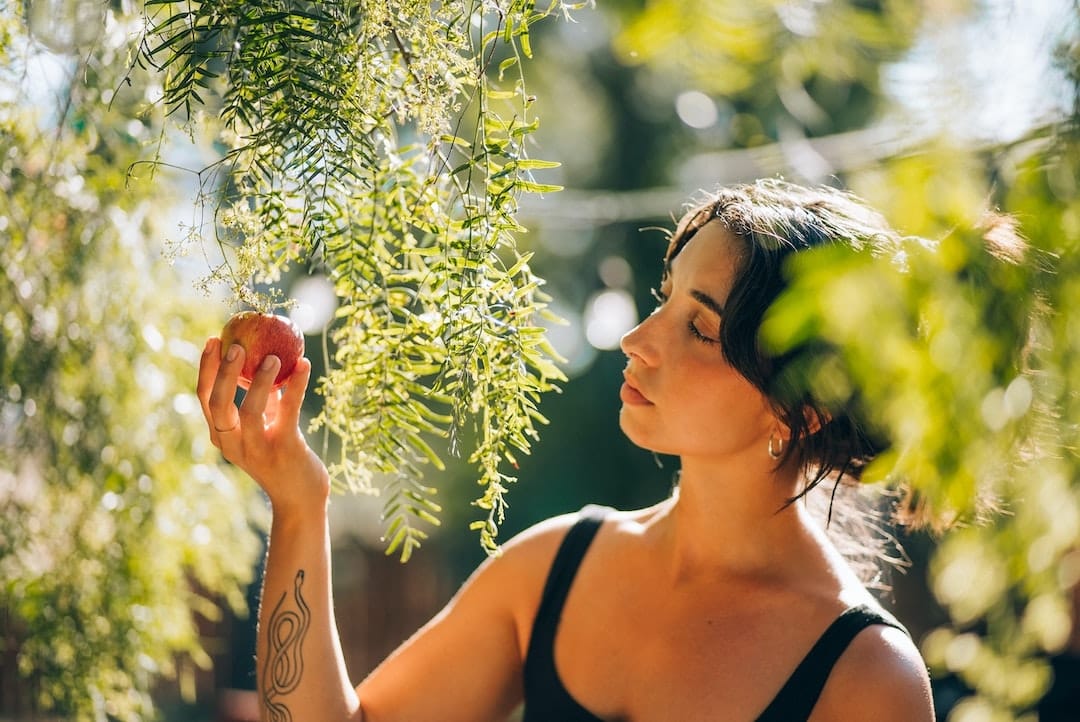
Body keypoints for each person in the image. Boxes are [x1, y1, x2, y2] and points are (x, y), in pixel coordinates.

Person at [196, 179, 938, 721]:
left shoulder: (866, 679)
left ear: (801, 410)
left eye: (701, 329)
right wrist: (298, 501)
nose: (638, 340)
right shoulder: (554, 569)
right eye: (664, 299)